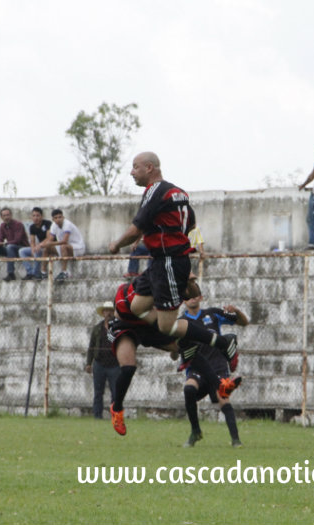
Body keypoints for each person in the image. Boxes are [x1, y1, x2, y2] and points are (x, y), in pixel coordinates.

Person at [107, 152, 238, 399]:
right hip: (161, 262)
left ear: (149, 167)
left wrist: (117, 244)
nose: (131, 172)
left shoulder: (155, 190)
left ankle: (223, 343)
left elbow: (136, 228)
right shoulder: (179, 193)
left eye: (135, 167)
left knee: (167, 326)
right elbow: (190, 225)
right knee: (136, 306)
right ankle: (185, 343)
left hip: (168, 261)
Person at [107, 276, 241, 436]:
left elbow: (192, 294)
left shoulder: (170, 286)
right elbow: (127, 311)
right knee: (128, 368)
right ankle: (117, 409)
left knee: (187, 348)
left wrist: (189, 281)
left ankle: (220, 386)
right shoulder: (132, 293)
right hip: (126, 327)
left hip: (148, 326)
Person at [180, 293, 249, 448]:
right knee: (189, 388)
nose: (191, 298)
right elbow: (174, 352)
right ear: (183, 300)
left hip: (217, 366)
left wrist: (236, 311)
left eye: (194, 295)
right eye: (187, 295)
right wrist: (177, 350)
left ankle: (236, 440)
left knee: (223, 399)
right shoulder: (181, 323)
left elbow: (244, 323)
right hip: (197, 367)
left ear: (200, 297)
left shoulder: (213, 314)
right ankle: (195, 432)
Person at [86, 301, 121, 419]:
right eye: (106, 311)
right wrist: (88, 363)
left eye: (111, 311)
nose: (108, 313)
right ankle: (97, 415)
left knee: (116, 393)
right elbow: (91, 347)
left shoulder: (118, 328)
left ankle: (115, 416)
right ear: (103, 313)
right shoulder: (97, 329)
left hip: (115, 364)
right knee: (98, 392)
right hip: (99, 364)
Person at [0, 207, 29, 282]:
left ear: (11, 215)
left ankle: (11, 273)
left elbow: (17, 240)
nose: (6, 217)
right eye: (4, 215)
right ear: (1, 217)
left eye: (8, 215)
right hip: (10, 249)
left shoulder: (18, 224)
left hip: (21, 248)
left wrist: (3, 243)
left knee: (10, 247)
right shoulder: (2, 226)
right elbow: (0, 239)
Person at [46, 209, 86, 282]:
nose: (58, 219)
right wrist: (46, 244)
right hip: (65, 247)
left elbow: (64, 241)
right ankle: (43, 272)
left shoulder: (67, 224)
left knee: (63, 246)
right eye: (56, 218)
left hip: (78, 247)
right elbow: (50, 239)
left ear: (63, 217)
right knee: (47, 248)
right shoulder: (53, 225)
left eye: (60, 217)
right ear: (53, 219)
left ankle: (64, 272)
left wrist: (50, 243)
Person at [19, 207, 53, 280]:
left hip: (48, 247)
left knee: (37, 252)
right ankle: (30, 272)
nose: (35, 218)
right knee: (22, 251)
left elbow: (49, 238)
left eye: (37, 215)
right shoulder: (32, 227)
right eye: (33, 216)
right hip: (40, 247)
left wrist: (39, 245)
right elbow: (32, 241)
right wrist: (32, 248)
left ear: (41, 216)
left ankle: (36, 274)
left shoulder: (47, 223)